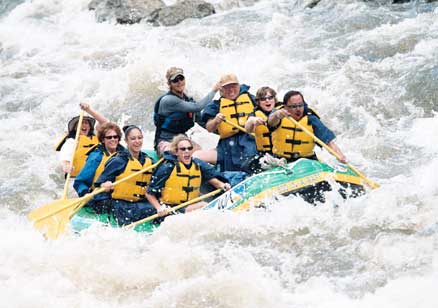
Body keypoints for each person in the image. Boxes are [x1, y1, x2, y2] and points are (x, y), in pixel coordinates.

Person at [146, 135, 231, 218]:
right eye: (183, 149)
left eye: (189, 148)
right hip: (171, 209)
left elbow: (210, 177)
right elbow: (149, 193)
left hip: (190, 204)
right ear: (176, 152)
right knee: (203, 205)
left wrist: (221, 185)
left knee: (204, 202)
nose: (187, 151)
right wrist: (159, 208)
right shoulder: (167, 168)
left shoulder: (197, 164)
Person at [95, 125, 157, 226]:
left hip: (141, 203)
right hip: (121, 206)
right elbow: (100, 183)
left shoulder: (149, 161)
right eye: (133, 138)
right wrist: (105, 185)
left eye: (140, 138)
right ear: (126, 141)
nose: (137, 141)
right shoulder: (118, 161)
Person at [196, 73, 257, 172]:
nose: (231, 90)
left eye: (233, 86)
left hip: (250, 139)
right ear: (221, 90)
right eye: (227, 87)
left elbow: (267, 109)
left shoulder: (251, 99)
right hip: (227, 144)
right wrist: (216, 120)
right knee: (196, 156)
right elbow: (209, 128)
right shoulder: (216, 105)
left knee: (250, 160)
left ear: (238, 86)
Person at [153, 67, 221, 156]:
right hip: (165, 142)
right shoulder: (168, 100)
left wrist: (222, 132)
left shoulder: (188, 101)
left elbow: (203, 123)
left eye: (181, 78)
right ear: (169, 84)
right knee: (178, 154)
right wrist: (214, 90)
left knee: (200, 153)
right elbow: (198, 107)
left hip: (182, 140)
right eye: (175, 80)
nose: (179, 82)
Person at [267, 90, 347, 163]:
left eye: (300, 105)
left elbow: (328, 142)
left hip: (307, 160)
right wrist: (277, 115)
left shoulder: (311, 119)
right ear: (285, 107)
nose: (298, 109)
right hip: (281, 160)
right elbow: (271, 122)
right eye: (294, 106)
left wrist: (339, 156)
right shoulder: (278, 115)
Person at [73, 122, 125, 214]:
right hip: (100, 197)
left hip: (121, 196)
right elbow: (79, 182)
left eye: (115, 137)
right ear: (103, 140)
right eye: (109, 137)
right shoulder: (96, 157)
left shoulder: (125, 154)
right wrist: (85, 194)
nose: (113, 139)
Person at [56, 103, 108, 177]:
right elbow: (65, 161)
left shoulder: (97, 137)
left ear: (90, 127)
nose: (84, 125)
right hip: (78, 179)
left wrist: (88, 110)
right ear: (75, 128)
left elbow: (104, 123)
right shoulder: (71, 142)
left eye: (86, 123)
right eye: (81, 123)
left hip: (97, 177)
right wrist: (67, 166)